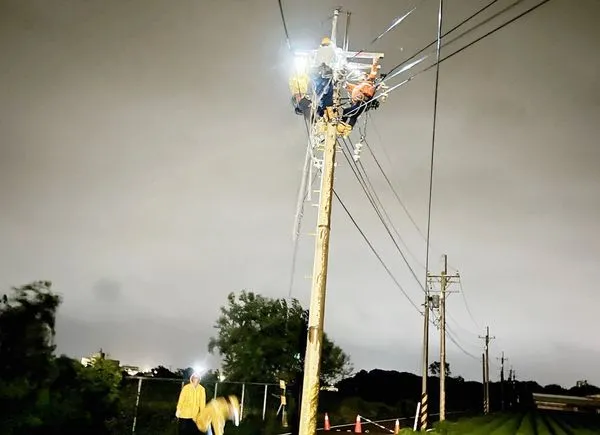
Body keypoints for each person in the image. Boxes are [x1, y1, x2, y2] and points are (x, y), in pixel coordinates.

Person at [338, 57, 382, 136]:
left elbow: (373, 73)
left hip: (361, 103)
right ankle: (346, 130)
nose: (361, 78)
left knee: (347, 112)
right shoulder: (358, 86)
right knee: (353, 116)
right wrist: (341, 80)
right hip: (357, 104)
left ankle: (341, 126)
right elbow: (348, 85)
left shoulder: (369, 83)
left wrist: (375, 62)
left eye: (364, 76)